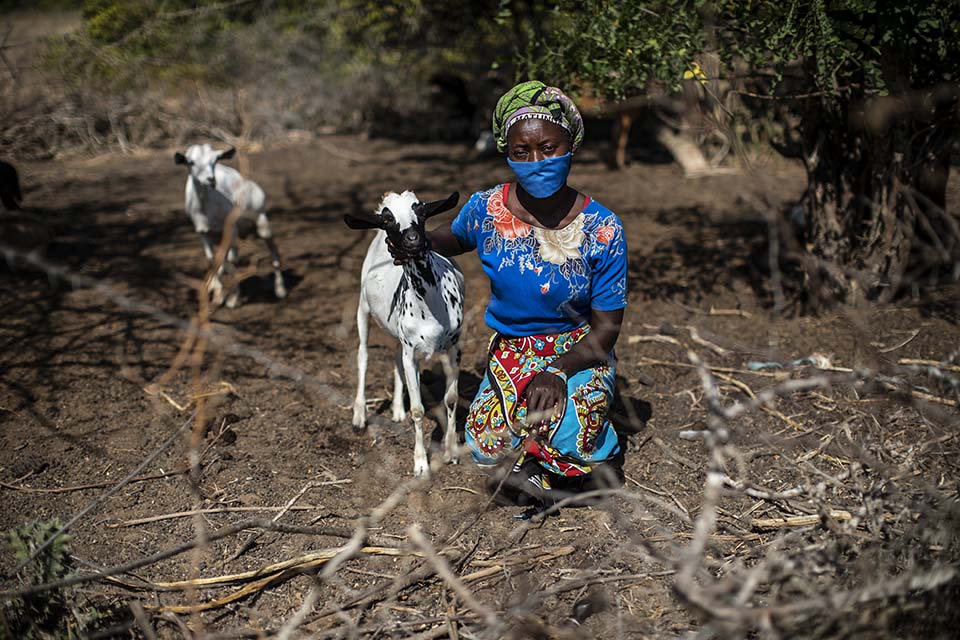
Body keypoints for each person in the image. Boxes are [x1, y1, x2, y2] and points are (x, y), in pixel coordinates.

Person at [391, 80, 628, 512]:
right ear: (507, 151)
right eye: (522, 151)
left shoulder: (604, 228)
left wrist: (557, 371)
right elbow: (453, 237)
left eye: (549, 148)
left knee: (570, 427)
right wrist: (418, 242)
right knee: (485, 441)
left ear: (570, 145)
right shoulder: (487, 210)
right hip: (513, 348)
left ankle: (581, 466)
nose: (537, 161)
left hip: (579, 348)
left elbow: (607, 327)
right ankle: (539, 469)